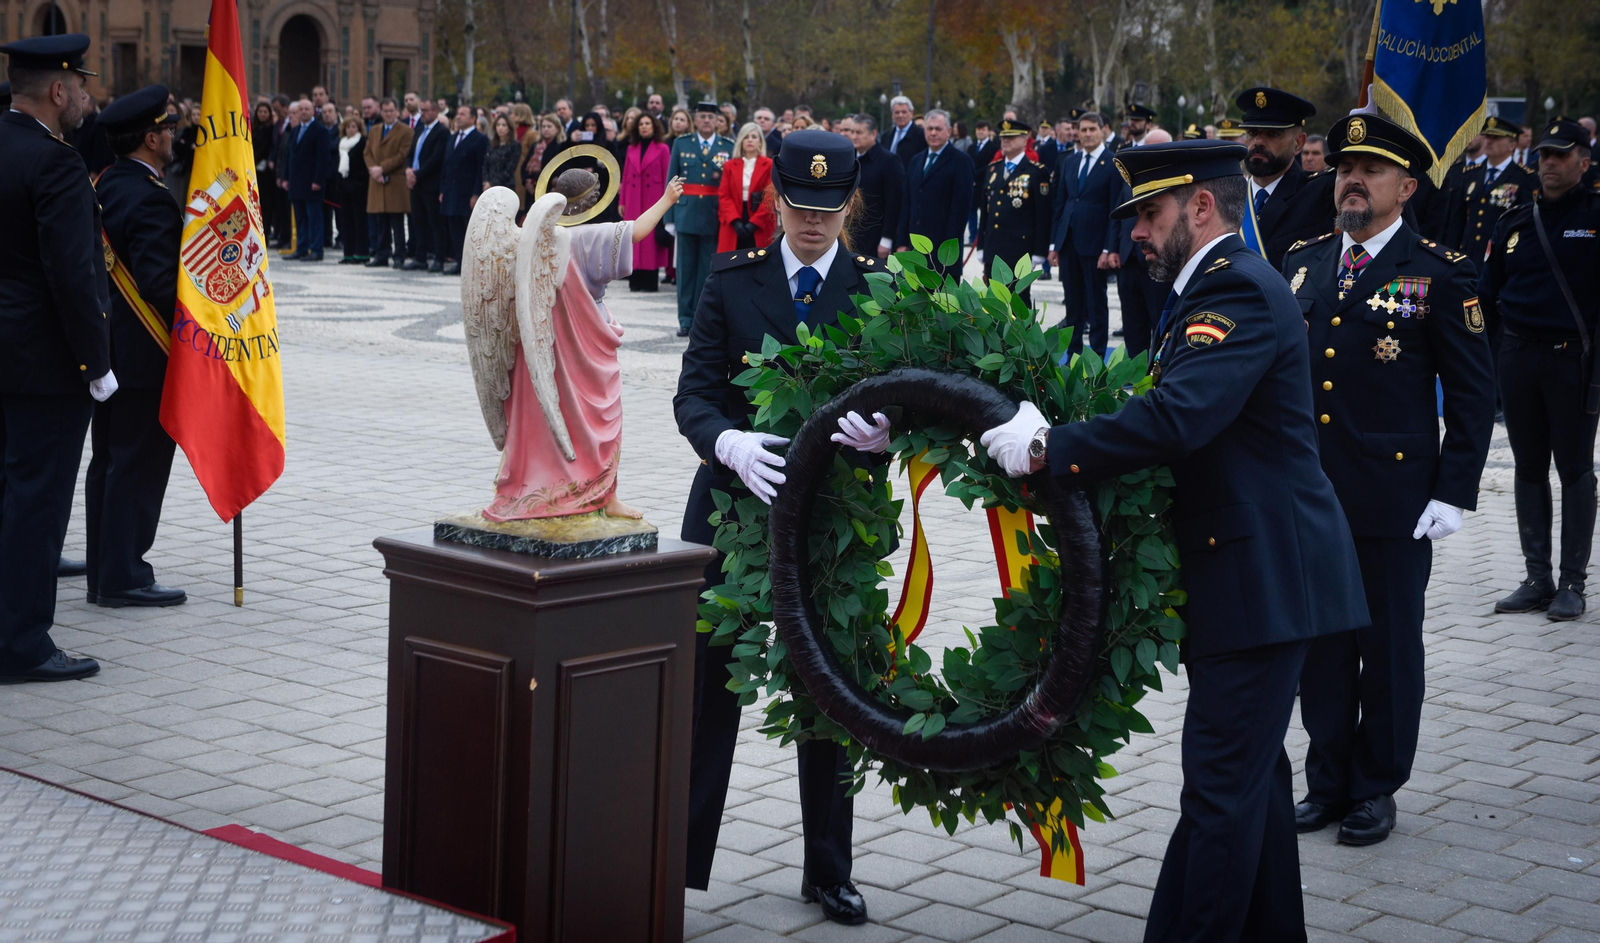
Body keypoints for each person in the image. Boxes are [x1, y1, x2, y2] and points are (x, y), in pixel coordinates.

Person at [979, 139, 1368, 942]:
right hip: (1248, 573)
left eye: (1152, 215)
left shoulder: (1240, 293)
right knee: (1252, 780)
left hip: (1263, 580)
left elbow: (1179, 416)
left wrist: (1051, 445)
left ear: (1200, 207)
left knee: (1221, 790)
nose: (1140, 236)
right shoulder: (1207, 291)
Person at [675, 129, 883, 928]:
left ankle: (829, 869)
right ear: (773, 199)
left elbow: (904, 395)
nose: (812, 222)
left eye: (829, 208)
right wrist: (724, 439)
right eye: (799, 205)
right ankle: (681, 858)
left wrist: (888, 432)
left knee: (827, 690)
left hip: (830, 523)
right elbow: (693, 396)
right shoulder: (733, 283)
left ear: (850, 205)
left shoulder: (875, 291)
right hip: (732, 512)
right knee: (708, 689)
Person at [1285, 114, 1494, 848]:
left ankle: (1376, 786)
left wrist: (1452, 490)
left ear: (1405, 187)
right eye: (1346, 165)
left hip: (1395, 499)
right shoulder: (1305, 261)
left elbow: (1473, 394)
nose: (1352, 177)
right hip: (1314, 496)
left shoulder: (1438, 270)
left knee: (1389, 650)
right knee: (1324, 650)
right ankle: (1327, 781)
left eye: (1371, 169)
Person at [0, 34, 110, 683]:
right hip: (44, 363)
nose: (85, 98)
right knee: (38, 504)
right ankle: (22, 643)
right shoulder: (57, 164)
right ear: (58, 91)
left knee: (8, 496)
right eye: (80, 86)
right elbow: (74, 276)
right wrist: (98, 363)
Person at [1480, 118, 1600, 621]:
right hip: (1518, 356)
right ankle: (1537, 577)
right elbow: (1488, 294)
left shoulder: (1596, 216)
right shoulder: (1514, 221)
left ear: (1584, 161)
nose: (1549, 162)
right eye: (1545, 154)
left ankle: (1573, 582)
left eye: (1561, 154)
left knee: (1574, 469)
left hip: (1573, 360)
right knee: (1528, 467)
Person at [84, 84, 193, 611]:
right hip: (146, 354)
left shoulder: (104, 184)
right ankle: (124, 574)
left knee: (107, 460)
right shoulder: (150, 197)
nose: (173, 137)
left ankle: (104, 570)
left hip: (106, 350)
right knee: (138, 463)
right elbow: (157, 281)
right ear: (151, 139)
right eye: (168, 130)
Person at [1047, 111, 1119, 357]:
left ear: (1102, 131)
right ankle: (1074, 356)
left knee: (1096, 304)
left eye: (1092, 129)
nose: (1087, 134)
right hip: (1068, 244)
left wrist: (1109, 248)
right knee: (1073, 304)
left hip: (1095, 245)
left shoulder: (1112, 163)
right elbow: (1062, 203)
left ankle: (1096, 358)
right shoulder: (1070, 161)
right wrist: (1054, 244)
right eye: (1083, 130)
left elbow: (1114, 210)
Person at [1237, 87, 1333, 269]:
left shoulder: (1320, 194)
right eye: (1251, 132)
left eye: (1272, 134)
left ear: (1298, 143)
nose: (1258, 142)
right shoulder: (1228, 197)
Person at [666, 101, 733, 336]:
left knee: (707, 270)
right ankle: (685, 319)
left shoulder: (728, 147)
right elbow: (672, 180)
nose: (706, 120)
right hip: (685, 213)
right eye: (702, 116)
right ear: (695, 120)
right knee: (685, 271)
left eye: (711, 117)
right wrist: (669, 216)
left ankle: (700, 318)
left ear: (718, 122)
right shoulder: (681, 144)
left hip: (713, 216)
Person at [1113, 127, 1175, 358]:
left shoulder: (1177, 179)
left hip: (1159, 261)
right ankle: (1134, 378)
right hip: (1129, 258)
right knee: (1132, 324)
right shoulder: (1132, 176)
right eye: (1149, 147)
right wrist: (1113, 248)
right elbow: (1117, 214)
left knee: (1160, 322)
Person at [976, 118, 1051, 304]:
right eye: (1003, 138)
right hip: (994, 245)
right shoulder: (994, 169)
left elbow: (1043, 215)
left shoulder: (1036, 171)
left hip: (1020, 248)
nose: (1006, 141)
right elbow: (985, 210)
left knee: (1018, 300)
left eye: (1012, 137)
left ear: (1025, 140)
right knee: (993, 300)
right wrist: (981, 244)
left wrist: (1040, 250)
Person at [895, 109, 973, 277]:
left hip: (942, 252)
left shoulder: (961, 161)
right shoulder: (917, 160)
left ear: (949, 131)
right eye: (929, 129)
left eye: (938, 129)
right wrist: (902, 242)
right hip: (914, 248)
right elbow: (907, 203)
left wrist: (948, 251)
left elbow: (960, 210)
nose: (933, 133)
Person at [1445, 116, 1534, 262]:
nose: (1489, 141)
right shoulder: (1470, 174)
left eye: (1496, 138)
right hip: (1468, 255)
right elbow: (1456, 221)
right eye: (1487, 136)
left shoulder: (1524, 178)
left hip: (1501, 257)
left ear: (1512, 145)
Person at [621, 111, 672, 291]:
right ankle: (635, 280)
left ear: (654, 127)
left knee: (650, 242)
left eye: (647, 123)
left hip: (653, 198)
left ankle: (650, 281)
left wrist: (668, 201)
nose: (644, 126)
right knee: (633, 239)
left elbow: (668, 176)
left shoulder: (663, 148)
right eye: (641, 124)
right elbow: (626, 175)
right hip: (634, 199)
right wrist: (622, 201)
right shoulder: (631, 148)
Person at [842, 113, 902, 259]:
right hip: (850, 234)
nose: (854, 136)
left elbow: (894, 203)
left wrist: (887, 239)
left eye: (859, 132)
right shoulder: (848, 159)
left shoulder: (889, 161)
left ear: (873, 134)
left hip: (875, 237)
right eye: (852, 132)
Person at [363, 97, 413, 268]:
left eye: (391, 111)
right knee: (380, 222)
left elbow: (402, 155)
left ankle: (399, 255)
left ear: (397, 112)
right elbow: (367, 152)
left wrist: (382, 169)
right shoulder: (375, 130)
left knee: (397, 222)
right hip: (377, 181)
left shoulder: (406, 131)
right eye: (385, 111)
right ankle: (381, 254)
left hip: (395, 181)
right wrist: (374, 170)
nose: (388, 114)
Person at [439, 104, 487, 275]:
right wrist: (442, 189)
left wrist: (476, 193)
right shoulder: (452, 138)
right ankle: (460, 261)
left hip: (468, 192)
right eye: (457, 114)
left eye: (463, 114)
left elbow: (480, 168)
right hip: (451, 191)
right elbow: (446, 165)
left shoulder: (480, 139)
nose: (458, 117)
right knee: (455, 229)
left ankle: (471, 265)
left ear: (473, 119)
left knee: (469, 230)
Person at [716, 121, 776, 254]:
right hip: (734, 219)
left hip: (759, 221)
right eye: (746, 137)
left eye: (754, 137)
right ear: (741, 141)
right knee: (732, 262)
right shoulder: (729, 166)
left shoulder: (769, 165)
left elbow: (770, 197)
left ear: (760, 142)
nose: (750, 140)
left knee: (758, 263)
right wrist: (735, 222)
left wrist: (753, 224)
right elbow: (724, 195)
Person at [285, 98, 332, 261]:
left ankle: (316, 249)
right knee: (300, 218)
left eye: (307, 109)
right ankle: (302, 247)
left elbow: (323, 158)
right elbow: (289, 156)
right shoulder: (295, 131)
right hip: (296, 182)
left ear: (313, 111)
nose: (304, 112)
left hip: (312, 182)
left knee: (314, 217)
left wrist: (318, 180)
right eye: (301, 109)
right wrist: (286, 177)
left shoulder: (320, 131)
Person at [405, 98, 447, 272]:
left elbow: (436, 159)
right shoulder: (419, 129)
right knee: (418, 221)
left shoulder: (441, 131)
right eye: (421, 110)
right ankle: (419, 257)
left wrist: (416, 175)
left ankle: (438, 258)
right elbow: (411, 152)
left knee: (435, 223)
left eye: (426, 110)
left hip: (430, 183)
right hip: (416, 183)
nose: (423, 113)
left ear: (436, 112)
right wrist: (408, 169)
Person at [334, 116, 370, 263]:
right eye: (348, 127)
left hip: (358, 187)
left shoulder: (362, 143)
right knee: (346, 221)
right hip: (344, 186)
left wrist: (358, 182)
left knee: (359, 221)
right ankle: (348, 253)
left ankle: (361, 253)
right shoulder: (342, 143)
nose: (351, 129)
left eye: (354, 127)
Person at [519, 113, 566, 209]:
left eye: (549, 126)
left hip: (549, 190)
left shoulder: (561, 146)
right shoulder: (536, 145)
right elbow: (524, 165)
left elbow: (559, 168)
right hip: (532, 191)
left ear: (557, 128)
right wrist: (526, 180)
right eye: (543, 126)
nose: (546, 129)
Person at [882, 94, 926, 167]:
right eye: (897, 112)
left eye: (904, 112)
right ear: (892, 114)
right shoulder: (886, 136)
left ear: (911, 113)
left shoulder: (921, 135)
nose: (900, 115)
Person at [481, 113, 521, 194]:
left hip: (505, 187)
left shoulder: (514, 145)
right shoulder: (491, 144)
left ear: (509, 128)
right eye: (498, 125)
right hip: (489, 187)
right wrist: (486, 181)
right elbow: (485, 164)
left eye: (504, 125)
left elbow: (510, 169)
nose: (500, 128)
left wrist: (492, 183)